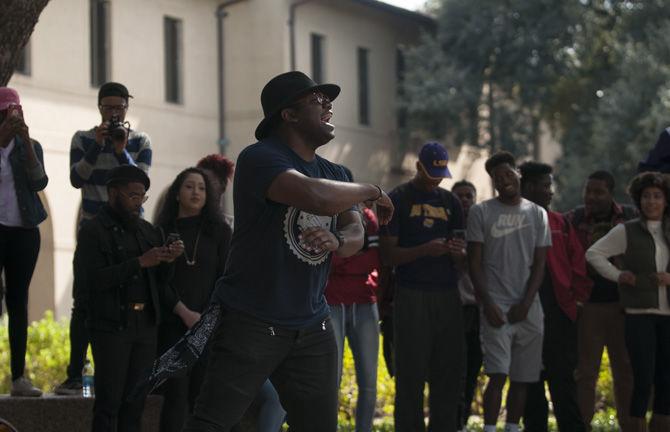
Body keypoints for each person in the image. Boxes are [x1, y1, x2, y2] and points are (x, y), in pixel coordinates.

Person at [182, 71, 394, 432]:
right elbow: (315, 196)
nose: (328, 105)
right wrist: (372, 189)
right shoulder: (259, 158)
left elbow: (355, 230)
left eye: (328, 100)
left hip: (313, 324)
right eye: (316, 99)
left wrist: (339, 242)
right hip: (250, 320)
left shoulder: (338, 172)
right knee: (212, 424)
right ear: (289, 115)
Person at [57, 82, 152, 395]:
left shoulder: (139, 140)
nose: (114, 113)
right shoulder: (83, 139)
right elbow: (76, 179)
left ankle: (130, 375)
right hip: (93, 229)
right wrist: (98, 147)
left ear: (127, 107)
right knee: (83, 302)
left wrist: (120, 149)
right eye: (108, 107)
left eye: (119, 107)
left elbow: (140, 181)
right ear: (99, 108)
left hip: (131, 231)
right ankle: (74, 374)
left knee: (131, 299)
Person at [73, 165, 182, 431]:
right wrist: (139, 263)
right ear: (113, 193)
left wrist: (168, 260)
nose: (138, 203)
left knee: (136, 404)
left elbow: (161, 281)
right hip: (112, 325)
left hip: (145, 326)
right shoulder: (93, 230)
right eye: (132, 196)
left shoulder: (147, 231)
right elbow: (91, 281)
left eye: (142, 197)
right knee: (109, 403)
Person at [380, 141, 466, 432]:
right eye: (431, 173)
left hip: (447, 293)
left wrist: (457, 252)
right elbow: (388, 255)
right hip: (411, 293)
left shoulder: (450, 202)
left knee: (448, 371)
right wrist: (424, 250)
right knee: (410, 373)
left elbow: (462, 252)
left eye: (441, 174)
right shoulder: (399, 199)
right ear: (418, 167)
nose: (436, 179)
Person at [466, 151, 551, 432]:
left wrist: (527, 303)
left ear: (518, 174)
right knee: (497, 375)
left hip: (528, 307)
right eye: (497, 178)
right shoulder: (481, 212)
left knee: (522, 378)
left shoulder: (537, 214)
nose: (503, 180)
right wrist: (487, 303)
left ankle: (512, 427)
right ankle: (490, 428)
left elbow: (540, 264)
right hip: (496, 306)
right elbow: (474, 263)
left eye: (507, 174)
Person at [586, 171, 670, 432]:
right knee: (642, 378)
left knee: (666, 380)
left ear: (666, 200)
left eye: (657, 196)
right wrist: (619, 275)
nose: (652, 202)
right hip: (638, 315)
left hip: (668, 316)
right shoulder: (627, 230)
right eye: (646, 196)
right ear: (638, 200)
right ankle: (635, 427)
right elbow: (594, 254)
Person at [155, 167, 232, 432]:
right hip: (172, 326)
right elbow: (157, 281)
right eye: (189, 186)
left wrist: (205, 319)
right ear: (177, 193)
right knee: (174, 397)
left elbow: (226, 278)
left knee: (204, 398)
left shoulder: (220, 232)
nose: (196, 192)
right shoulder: (162, 231)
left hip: (209, 327)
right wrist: (183, 312)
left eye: (201, 187)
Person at [519, 162, 591, 432]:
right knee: (530, 382)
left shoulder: (560, 223)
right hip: (524, 314)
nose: (551, 192)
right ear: (529, 187)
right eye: (546, 185)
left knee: (564, 383)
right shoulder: (513, 221)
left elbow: (579, 265)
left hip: (559, 315)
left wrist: (577, 302)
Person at [565, 170, 636, 431]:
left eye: (598, 192)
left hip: (623, 305)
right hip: (589, 305)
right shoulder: (574, 218)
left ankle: (630, 425)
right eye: (588, 191)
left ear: (611, 193)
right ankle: (581, 425)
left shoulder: (629, 217)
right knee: (585, 372)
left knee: (625, 370)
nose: (591, 197)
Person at [0, 87, 49, 397]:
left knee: (18, 302)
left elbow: (39, 181)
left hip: (24, 231)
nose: (10, 117)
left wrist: (26, 143)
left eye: (14, 111)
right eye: (5, 113)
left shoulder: (30, 146)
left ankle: (19, 377)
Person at [325, 167, 381, 432]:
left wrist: (342, 256)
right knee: (330, 380)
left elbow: (374, 259)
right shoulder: (323, 218)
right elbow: (325, 262)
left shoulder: (368, 218)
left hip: (364, 301)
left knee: (369, 380)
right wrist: (349, 258)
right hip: (331, 303)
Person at [452, 180, 481, 432]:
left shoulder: (483, 228)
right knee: (455, 371)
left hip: (479, 308)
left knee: (473, 370)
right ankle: (454, 421)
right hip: (453, 309)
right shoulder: (446, 228)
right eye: (459, 195)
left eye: (468, 196)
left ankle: (463, 421)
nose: (464, 200)